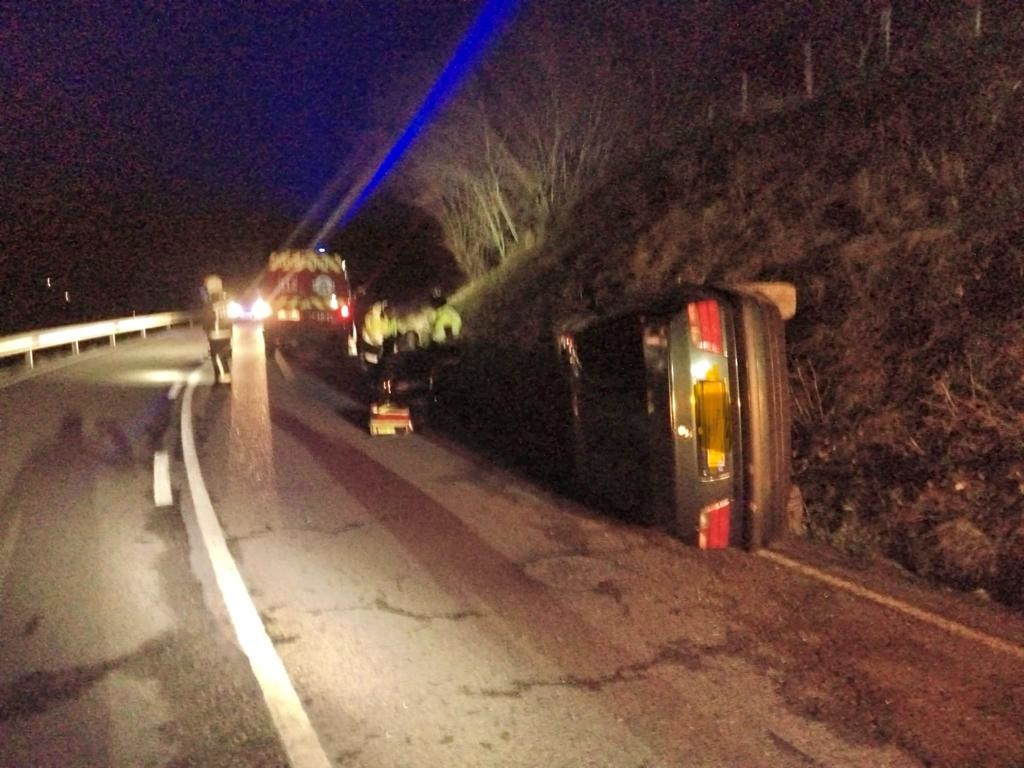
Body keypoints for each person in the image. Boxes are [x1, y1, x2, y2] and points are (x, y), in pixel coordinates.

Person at [201, 275, 233, 384]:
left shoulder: (211, 301)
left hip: (216, 333)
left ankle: (224, 379)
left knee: (217, 357)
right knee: (222, 356)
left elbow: (208, 317)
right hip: (226, 332)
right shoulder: (226, 299)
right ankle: (219, 379)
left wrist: (206, 328)